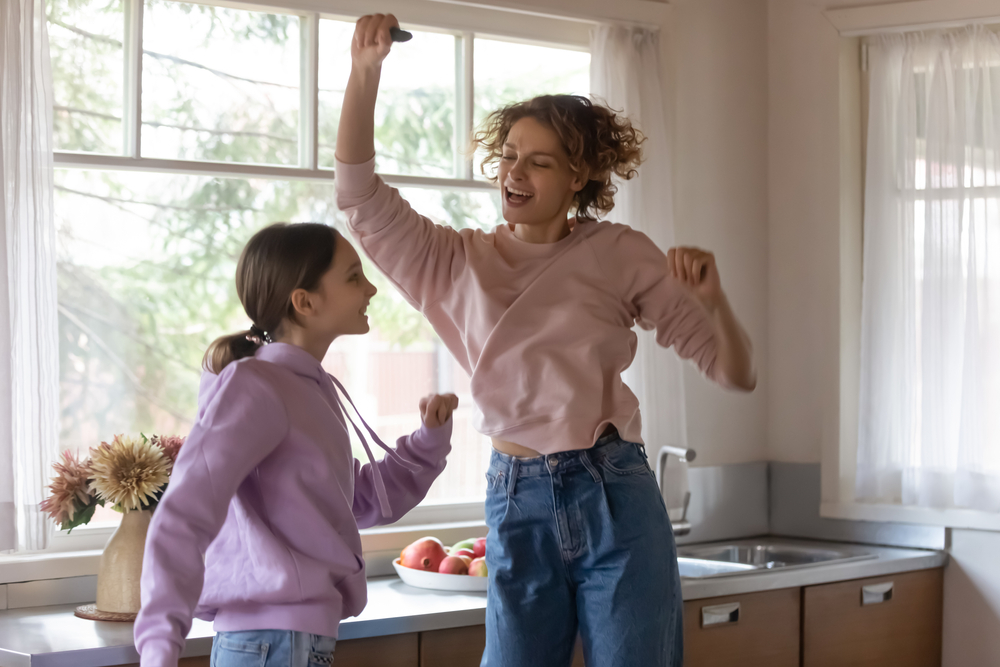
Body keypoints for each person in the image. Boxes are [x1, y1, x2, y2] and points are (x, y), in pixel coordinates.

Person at [335, 14, 756, 667]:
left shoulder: (621, 252)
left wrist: (714, 302)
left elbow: (736, 373)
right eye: (507, 157)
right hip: (516, 493)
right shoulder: (452, 261)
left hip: (614, 488)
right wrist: (366, 72)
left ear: (579, 176)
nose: (515, 173)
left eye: (538, 161)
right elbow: (358, 194)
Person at [134, 222, 458, 667]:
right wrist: (158, 649)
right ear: (305, 302)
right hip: (273, 645)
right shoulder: (257, 388)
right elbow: (184, 513)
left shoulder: (307, 386)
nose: (370, 289)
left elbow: (355, 504)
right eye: (352, 277)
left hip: (291, 642)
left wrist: (427, 443)